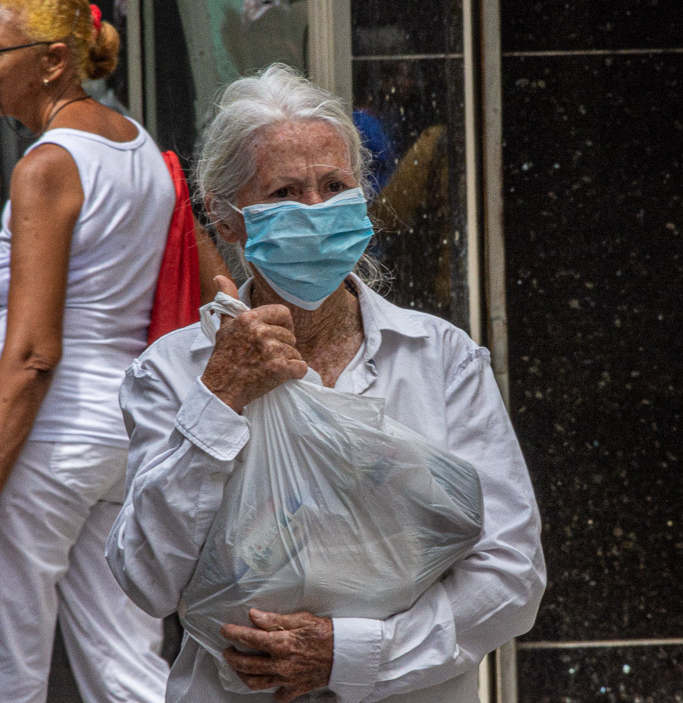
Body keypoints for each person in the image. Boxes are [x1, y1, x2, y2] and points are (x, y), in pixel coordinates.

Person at [107, 64, 546, 703]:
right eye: (285, 193)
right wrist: (220, 397)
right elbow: (147, 579)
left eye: (335, 186)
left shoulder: (440, 358)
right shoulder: (174, 372)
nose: (316, 212)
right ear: (226, 219)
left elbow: (511, 571)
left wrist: (354, 656)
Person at [0, 2, 170, 701]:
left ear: (53, 61)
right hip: (122, 432)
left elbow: (35, 349)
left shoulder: (47, 165)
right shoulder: (137, 144)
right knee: (127, 662)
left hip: (43, 441)